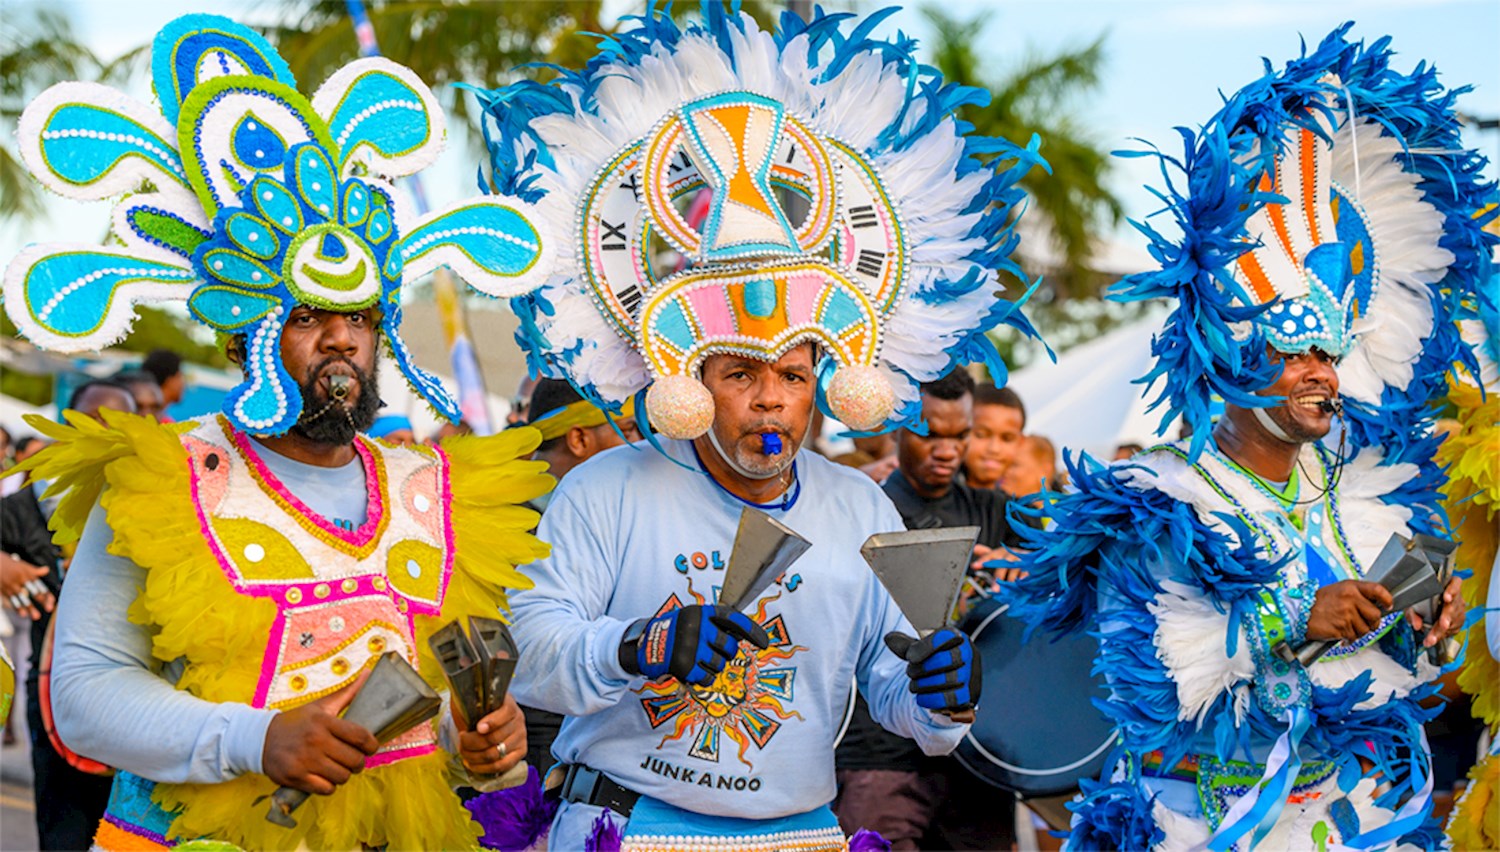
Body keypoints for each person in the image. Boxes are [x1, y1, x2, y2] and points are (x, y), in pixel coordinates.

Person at [475, 5, 1043, 846]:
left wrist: (943, 694)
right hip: (630, 833)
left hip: (799, 833)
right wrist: (641, 645)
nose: (770, 399)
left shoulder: (859, 508)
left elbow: (890, 691)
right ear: (693, 381)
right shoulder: (608, 488)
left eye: (793, 375)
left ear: (825, 386)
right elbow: (532, 648)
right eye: (741, 373)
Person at [4, 14, 558, 849]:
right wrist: (253, 738)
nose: (341, 338)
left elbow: (430, 716)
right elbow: (82, 694)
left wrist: (481, 743)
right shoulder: (165, 480)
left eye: (360, 316)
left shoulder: (435, 490)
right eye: (306, 316)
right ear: (242, 335)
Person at [1003, 25, 1492, 850]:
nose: (1322, 372)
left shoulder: (1358, 492)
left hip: (1346, 815)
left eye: (1331, 353)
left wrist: (1415, 627)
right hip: (1204, 821)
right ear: (1231, 352)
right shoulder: (1161, 505)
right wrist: (1297, 621)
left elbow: (1379, 676)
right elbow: (1155, 686)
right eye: (1295, 349)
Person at [834, 368, 1029, 850]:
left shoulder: (996, 511)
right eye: (929, 433)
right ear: (898, 426)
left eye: (960, 434)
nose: (946, 450)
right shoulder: (864, 507)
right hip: (879, 757)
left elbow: (1067, 588)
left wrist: (1031, 566)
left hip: (975, 759)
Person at [4, 380, 133, 851]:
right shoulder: (30, 503)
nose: (100, 433)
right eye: (87, 420)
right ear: (64, 424)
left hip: (135, 704)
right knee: (64, 834)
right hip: (52, 694)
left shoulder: (159, 504)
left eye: (116, 423)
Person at [963, 382, 1026, 491]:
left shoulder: (1016, 506)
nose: (994, 449)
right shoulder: (932, 501)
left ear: (1020, 443)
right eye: (981, 435)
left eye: (1007, 439)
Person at [1000, 434, 1059, 501]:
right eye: (1004, 464)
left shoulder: (1060, 510)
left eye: (1014, 465)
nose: (1004, 471)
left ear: (1045, 470)